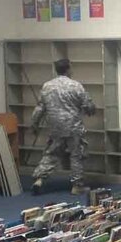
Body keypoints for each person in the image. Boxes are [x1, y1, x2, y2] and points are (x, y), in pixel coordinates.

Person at [30, 58, 97, 195]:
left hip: (55, 127)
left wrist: (34, 124)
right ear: (68, 69)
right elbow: (88, 106)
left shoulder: (47, 86)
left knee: (51, 153)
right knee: (75, 156)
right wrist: (91, 110)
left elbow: (39, 108)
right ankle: (77, 186)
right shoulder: (76, 86)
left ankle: (39, 179)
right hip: (73, 127)